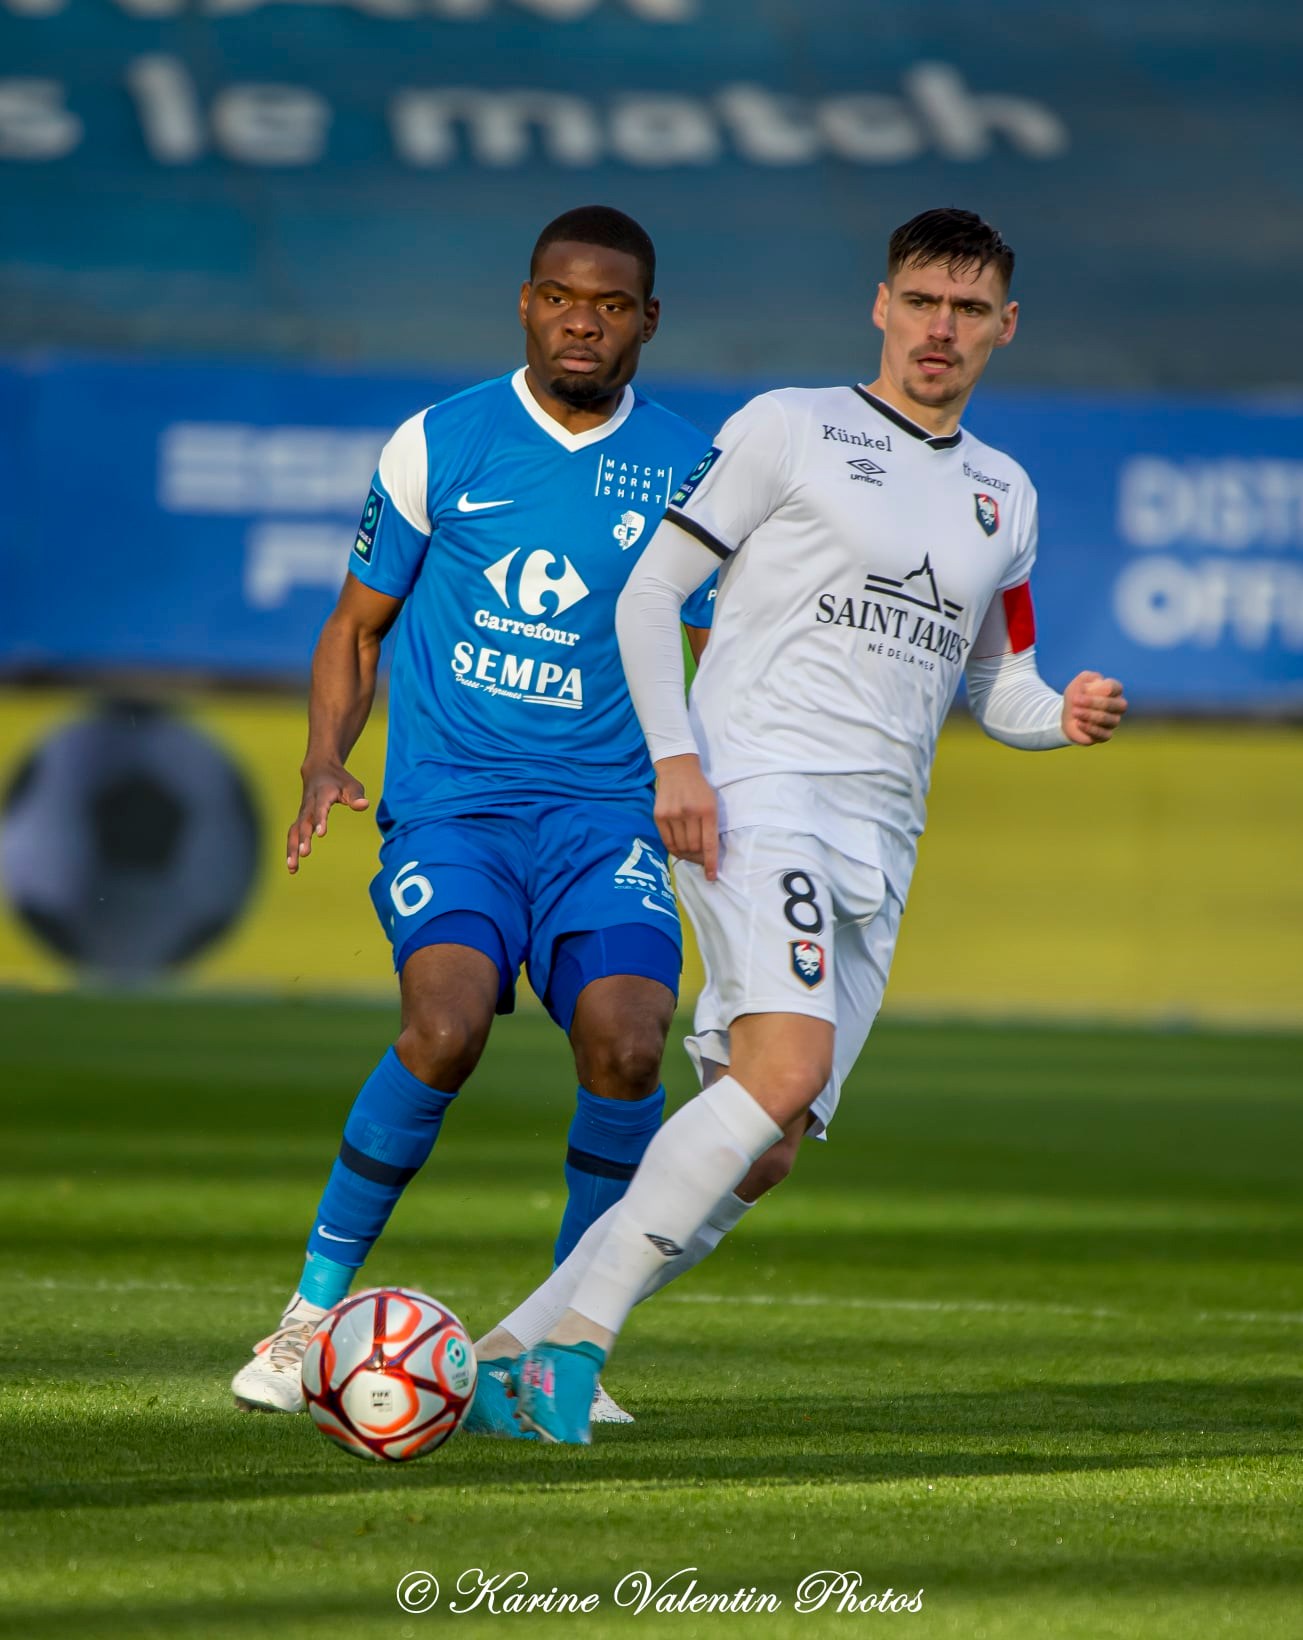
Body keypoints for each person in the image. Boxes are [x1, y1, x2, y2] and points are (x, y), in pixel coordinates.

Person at [496, 206, 1129, 1444]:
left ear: (1004, 327)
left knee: (767, 1143)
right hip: (758, 791)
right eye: (920, 301)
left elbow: (995, 682)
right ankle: (573, 1354)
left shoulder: (1006, 495)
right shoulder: (789, 426)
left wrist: (1068, 714)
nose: (939, 329)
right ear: (880, 307)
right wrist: (677, 761)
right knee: (779, 1071)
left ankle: (504, 1345)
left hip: (880, 839)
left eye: (966, 309)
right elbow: (650, 591)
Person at [230, 206, 714, 1424]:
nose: (583, 322)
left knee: (629, 1044)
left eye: (610, 305)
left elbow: (717, 655)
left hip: (605, 817)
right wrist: (322, 759)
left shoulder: (693, 474)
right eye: (562, 296)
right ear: (525, 302)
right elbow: (356, 624)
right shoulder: (440, 441)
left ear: (647, 320)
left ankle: (560, 1344)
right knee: (444, 1027)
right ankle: (305, 1321)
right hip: (456, 807)